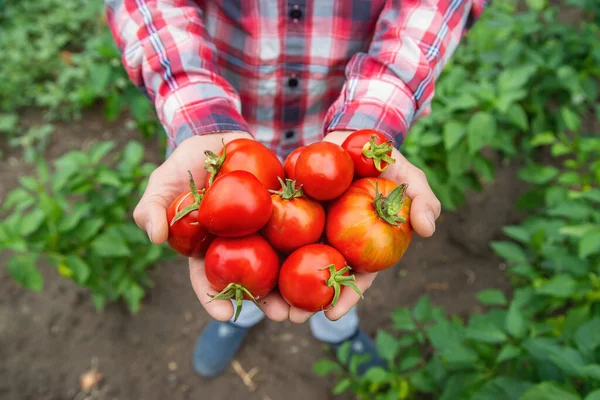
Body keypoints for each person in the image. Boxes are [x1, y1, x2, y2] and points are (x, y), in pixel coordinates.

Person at [105, 0, 485, 378]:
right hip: (218, 141)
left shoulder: (361, 173)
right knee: (247, 276)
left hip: (344, 126)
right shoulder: (216, 178)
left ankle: (338, 329)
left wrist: (374, 119)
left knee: (344, 275)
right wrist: (199, 115)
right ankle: (241, 314)